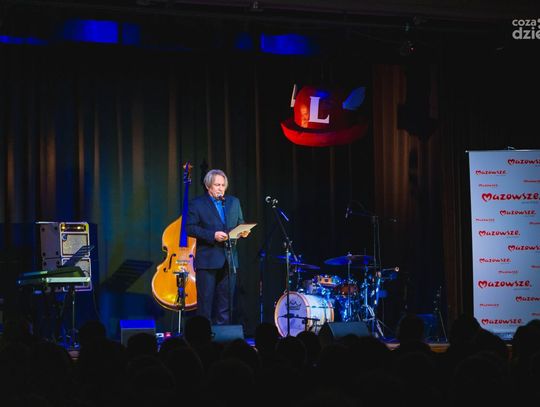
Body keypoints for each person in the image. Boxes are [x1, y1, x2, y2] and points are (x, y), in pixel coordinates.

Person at [186, 169, 249, 325]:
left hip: (230, 260)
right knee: (205, 304)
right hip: (208, 260)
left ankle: (223, 336)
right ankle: (203, 335)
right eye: (217, 185)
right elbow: (189, 228)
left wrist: (243, 231)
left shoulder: (234, 202)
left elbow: (240, 222)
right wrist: (212, 235)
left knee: (225, 304)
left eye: (223, 185)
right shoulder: (197, 204)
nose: (220, 188)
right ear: (208, 186)